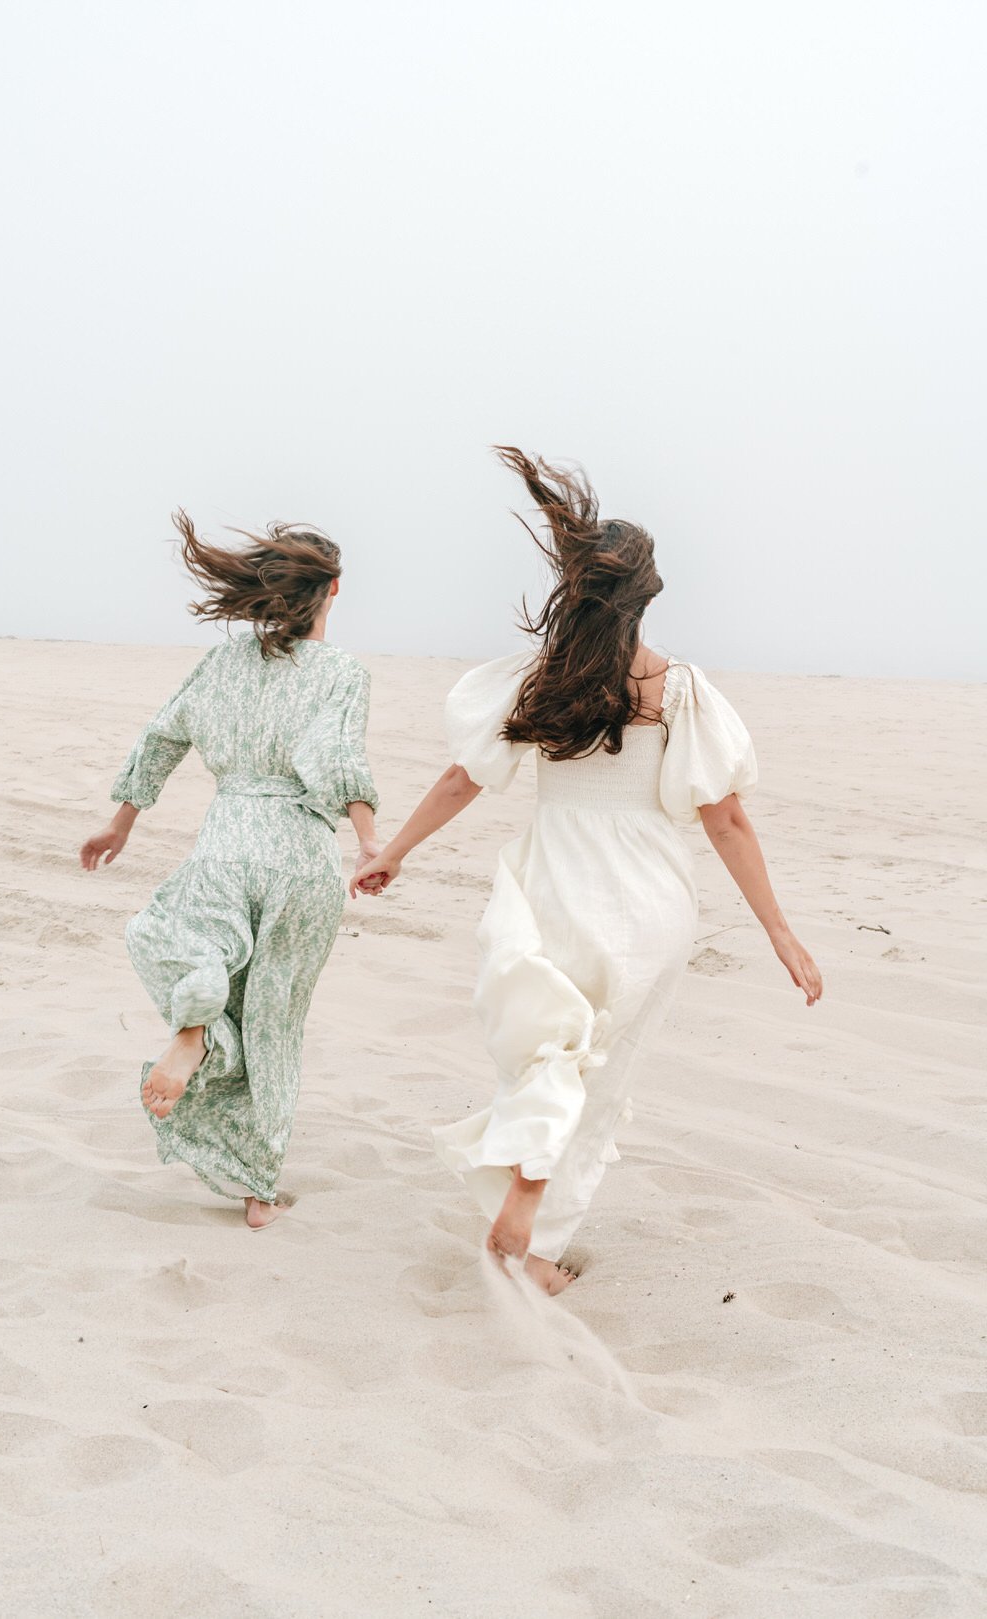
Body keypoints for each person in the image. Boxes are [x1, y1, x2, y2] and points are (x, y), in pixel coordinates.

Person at [351, 447, 821, 1294]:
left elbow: (463, 779)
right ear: (648, 595)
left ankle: (527, 1195)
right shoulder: (676, 689)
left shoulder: (541, 679)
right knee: (602, 1071)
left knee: (544, 1049)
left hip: (553, 883)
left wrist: (392, 852)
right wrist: (780, 930)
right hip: (650, 897)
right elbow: (727, 818)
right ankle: (536, 1223)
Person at [80, 511, 380, 1229]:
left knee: (191, 943)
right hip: (301, 851)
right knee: (275, 1020)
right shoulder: (342, 672)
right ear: (334, 590)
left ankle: (196, 1029)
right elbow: (338, 762)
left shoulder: (223, 663)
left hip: (229, 836)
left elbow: (164, 732)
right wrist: (372, 844)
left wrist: (122, 818)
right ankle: (256, 1187)